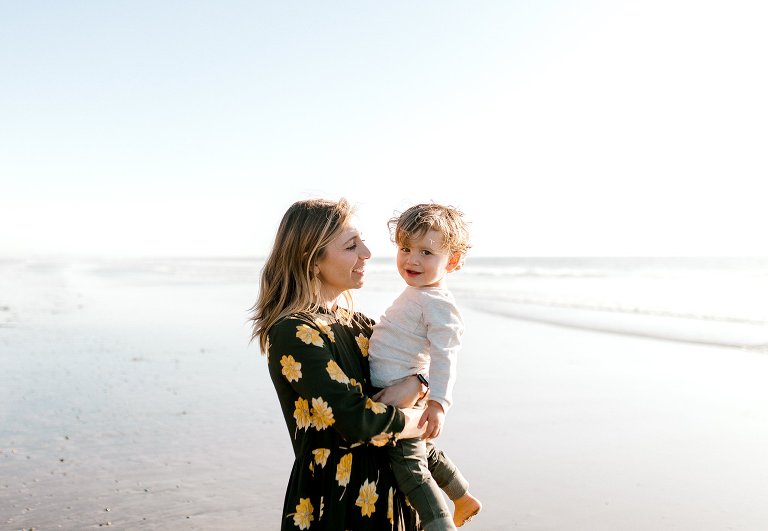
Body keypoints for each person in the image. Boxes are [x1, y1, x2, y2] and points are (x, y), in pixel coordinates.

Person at [250, 198, 431, 530]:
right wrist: (420, 421)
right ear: (312, 260)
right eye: (351, 246)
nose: (367, 252)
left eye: (362, 242)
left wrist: (419, 383)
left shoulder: (361, 326)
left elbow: (411, 372)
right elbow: (355, 419)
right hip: (335, 503)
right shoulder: (294, 331)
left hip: (392, 496)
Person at [369, 204, 482, 530]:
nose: (412, 259)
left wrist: (438, 404)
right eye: (405, 248)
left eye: (426, 252)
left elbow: (446, 355)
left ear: (453, 261)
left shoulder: (438, 303)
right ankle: (462, 496)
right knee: (424, 450)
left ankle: (440, 524)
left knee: (410, 467)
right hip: (400, 389)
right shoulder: (420, 293)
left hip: (405, 397)